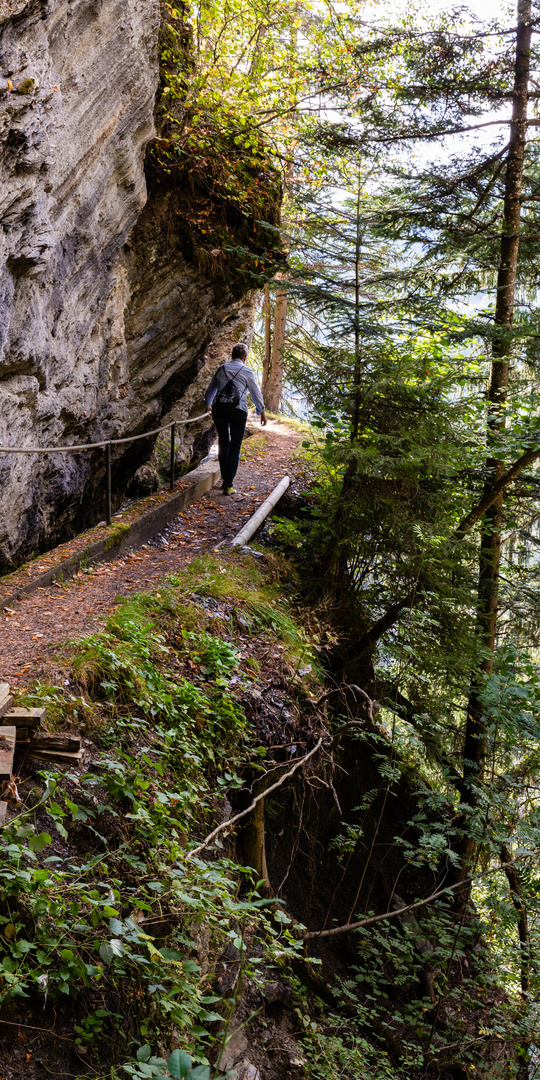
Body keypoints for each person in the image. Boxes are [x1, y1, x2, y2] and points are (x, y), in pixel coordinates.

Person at [205, 343, 267, 495]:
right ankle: (228, 484)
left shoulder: (222, 368)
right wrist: (262, 412)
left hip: (219, 410)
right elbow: (255, 393)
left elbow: (210, 391)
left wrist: (208, 405)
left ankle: (225, 479)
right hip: (238, 411)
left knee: (223, 443)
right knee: (235, 446)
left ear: (232, 355)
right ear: (245, 357)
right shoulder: (246, 371)